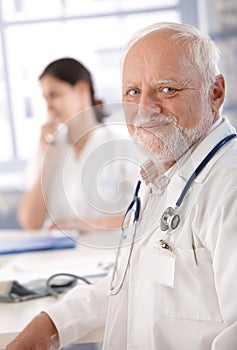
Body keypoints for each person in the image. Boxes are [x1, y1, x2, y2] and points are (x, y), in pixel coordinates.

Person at [7, 22, 237, 350]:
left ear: (215, 92)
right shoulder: (162, 175)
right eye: (133, 92)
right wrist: (52, 324)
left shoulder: (229, 188)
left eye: (168, 89)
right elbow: (132, 281)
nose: (146, 108)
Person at [18, 58, 140, 232]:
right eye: (45, 99)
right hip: (56, 255)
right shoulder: (49, 148)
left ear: (82, 89)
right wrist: (47, 161)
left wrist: (88, 226)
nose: (49, 107)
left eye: (54, 95)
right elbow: (30, 222)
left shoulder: (122, 147)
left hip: (107, 254)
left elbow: (144, 215)